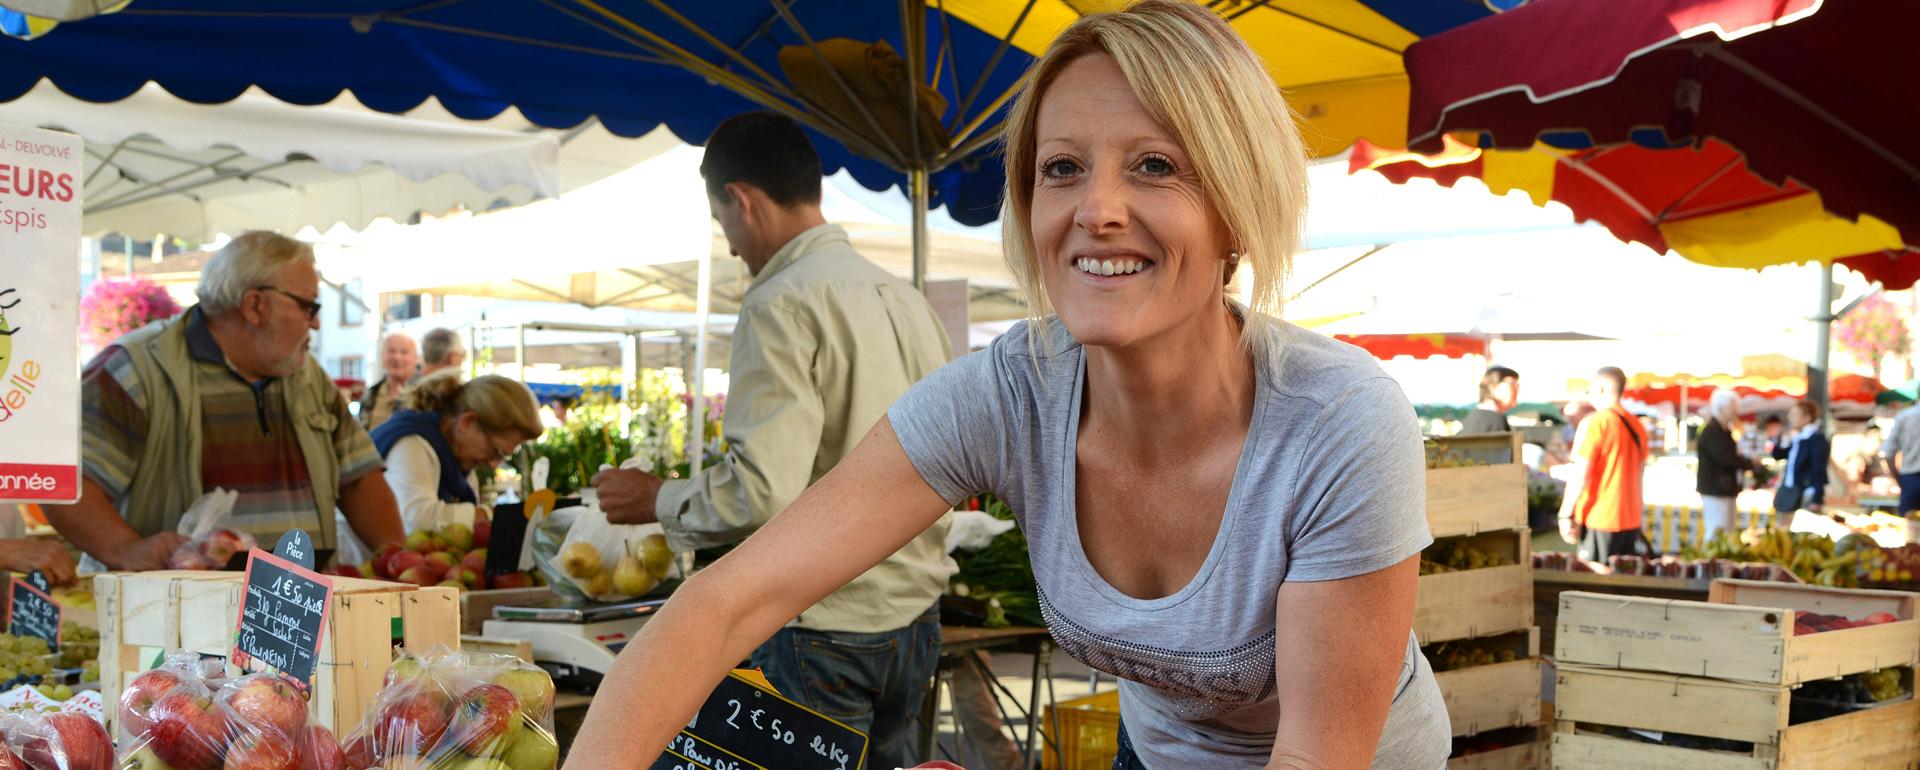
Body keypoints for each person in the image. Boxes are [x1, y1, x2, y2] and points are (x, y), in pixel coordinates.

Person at [567, 4, 1448, 768]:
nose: (1095, 208)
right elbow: (728, 603)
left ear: (1239, 211)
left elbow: (1314, 756)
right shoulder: (1009, 394)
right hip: (1157, 750)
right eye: (1061, 168)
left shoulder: (1337, 423)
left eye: (1155, 165)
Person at [584, 112, 957, 767]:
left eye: (721, 220)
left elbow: (761, 491)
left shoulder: (780, 301)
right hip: (916, 618)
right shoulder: (904, 298)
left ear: (742, 200)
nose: (730, 246)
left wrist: (656, 498)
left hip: (822, 623)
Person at [51, 232, 406, 570]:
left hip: (297, 603)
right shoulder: (136, 370)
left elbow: (359, 480)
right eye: (308, 306)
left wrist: (399, 562)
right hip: (184, 606)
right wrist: (125, 549)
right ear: (255, 306)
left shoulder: (307, 376)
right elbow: (65, 483)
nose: (315, 323)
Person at [369, 373, 542, 535]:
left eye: (503, 456)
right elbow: (416, 520)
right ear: (467, 423)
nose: (493, 464)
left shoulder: (459, 463)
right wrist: (489, 514)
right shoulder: (410, 444)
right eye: (495, 451)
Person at [1558, 367, 1650, 561]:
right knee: (1623, 575)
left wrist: (1565, 514)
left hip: (1599, 516)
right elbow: (1641, 476)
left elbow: (1580, 474)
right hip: (1630, 517)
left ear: (1601, 389)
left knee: (1596, 575)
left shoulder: (1595, 423)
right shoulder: (1637, 426)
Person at [1696, 390, 1746, 539]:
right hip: (1715, 490)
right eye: (1733, 407)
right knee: (1716, 531)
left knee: (1726, 532)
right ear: (1722, 408)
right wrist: (1748, 463)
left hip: (1724, 489)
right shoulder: (1712, 431)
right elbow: (1726, 458)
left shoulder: (1724, 431)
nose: (1736, 411)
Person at [1773, 400, 1830, 516]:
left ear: (1807, 418)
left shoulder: (1816, 439)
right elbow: (1778, 455)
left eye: (1795, 415)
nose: (1790, 418)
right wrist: (1780, 437)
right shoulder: (1797, 438)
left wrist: (1817, 497)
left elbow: (1818, 468)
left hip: (1806, 492)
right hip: (1790, 490)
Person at [358, 332, 419, 430]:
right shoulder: (370, 395)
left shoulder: (424, 395)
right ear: (382, 356)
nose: (397, 357)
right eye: (391, 351)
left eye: (404, 352)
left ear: (416, 358)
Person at [1885, 394, 1920, 513]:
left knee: (1909, 521)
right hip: (1910, 477)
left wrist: (1897, 477)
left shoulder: (1905, 416)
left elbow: (1888, 452)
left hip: (1910, 478)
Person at [1462, 366, 1519, 435]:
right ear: (1492, 386)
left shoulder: (1470, 417)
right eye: (1512, 383)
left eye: (1517, 385)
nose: (1517, 388)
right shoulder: (1496, 419)